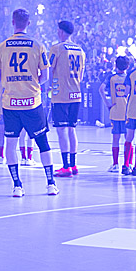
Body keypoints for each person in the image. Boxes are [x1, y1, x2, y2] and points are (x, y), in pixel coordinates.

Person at [0, 8, 59, 197]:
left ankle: (17, 186)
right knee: (42, 143)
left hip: (10, 103)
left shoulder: (2, 46)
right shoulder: (37, 45)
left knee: (11, 144)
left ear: (13, 22)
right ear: (28, 23)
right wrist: (32, 83)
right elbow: (46, 75)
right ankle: (51, 184)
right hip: (32, 102)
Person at [49, 20, 86, 177]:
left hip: (61, 94)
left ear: (61, 31)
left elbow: (49, 69)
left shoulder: (57, 48)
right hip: (76, 94)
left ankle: (65, 167)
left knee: (61, 130)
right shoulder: (80, 50)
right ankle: (73, 164)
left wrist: (49, 87)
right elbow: (81, 75)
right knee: (72, 129)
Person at [100, 56, 130, 171]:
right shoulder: (129, 77)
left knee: (116, 138)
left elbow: (101, 89)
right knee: (128, 139)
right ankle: (128, 163)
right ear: (127, 66)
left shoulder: (111, 77)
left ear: (115, 65)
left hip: (115, 110)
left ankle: (115, 164)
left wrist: (107, 104)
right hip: (128, 112)